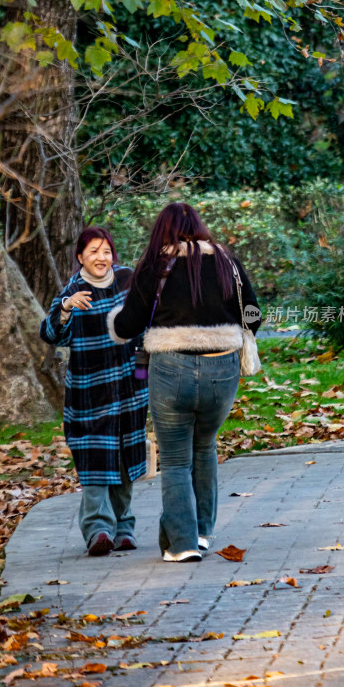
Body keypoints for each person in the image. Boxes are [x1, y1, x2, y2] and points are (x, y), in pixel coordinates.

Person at [107, 202, 261, 563]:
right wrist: (238, 332)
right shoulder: (227, 262)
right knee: (205, 447)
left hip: (170, 370)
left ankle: (182, 544)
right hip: (221, 370)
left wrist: (114, 322)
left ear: (162, 229)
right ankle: (204, 532)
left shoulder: (155, 265)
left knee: (175, 460)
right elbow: (253, 313)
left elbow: (128, 325)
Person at [40, 227, 148, 556]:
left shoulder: (129, 280)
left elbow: (150, 317)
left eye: (105, 251)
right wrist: (66, 308)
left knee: (125, 457)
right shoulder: (73, 291)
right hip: (90, 393)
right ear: (80, 258)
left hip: (130, 388)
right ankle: (99, 530)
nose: (101, 258)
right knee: (94, 459)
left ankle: (124, 527)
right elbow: (50, 334)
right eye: (93, 252)